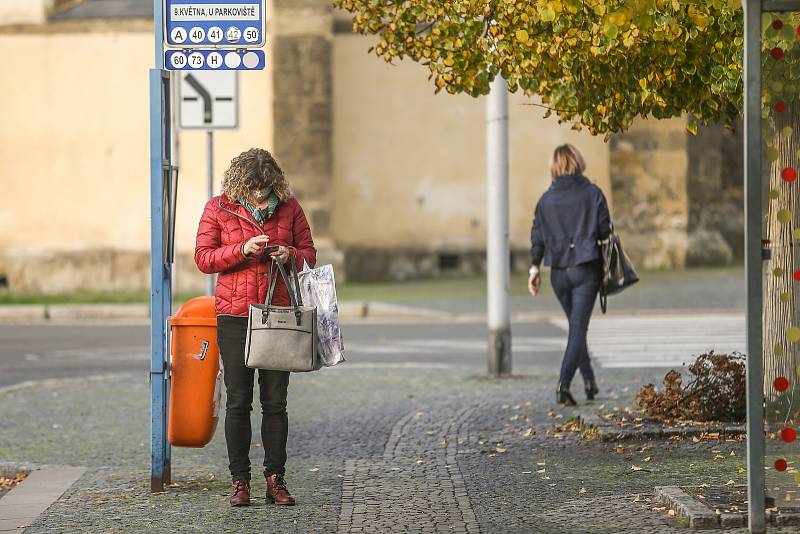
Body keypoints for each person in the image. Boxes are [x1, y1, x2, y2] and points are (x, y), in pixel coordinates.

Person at [194, 147, 316, 507]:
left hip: (277, 314)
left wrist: (289, 254)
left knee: (276, 403)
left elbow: (309, 253)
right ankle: (240, 481)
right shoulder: (219, 207)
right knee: (238, 401)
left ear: (274, 182)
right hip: (234, 315)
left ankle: (275, 479)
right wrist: (242, 249)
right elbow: (203, 258)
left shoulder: (290, 206)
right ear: (240, 184)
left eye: (266, 189)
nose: (261, 196)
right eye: (254, 190)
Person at [528, 144, 611, 406]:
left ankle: (589, 380)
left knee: (577, 329)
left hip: (558, 274)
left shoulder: (545, 200)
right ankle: (563, 386)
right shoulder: (593, 194)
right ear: (578, 161)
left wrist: (534, 269)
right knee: (577, 330)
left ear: (555, 166)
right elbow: (604, 230)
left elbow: (537, 238)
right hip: (586, 270)